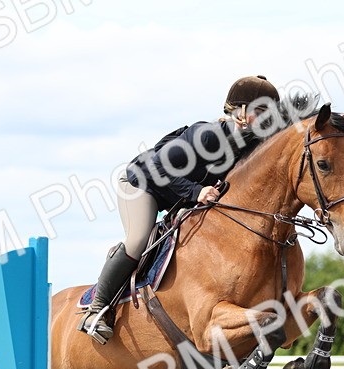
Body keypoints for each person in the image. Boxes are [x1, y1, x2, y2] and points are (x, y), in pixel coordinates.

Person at [78, 75, 282, 344]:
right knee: (139, 239)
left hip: (177, 196)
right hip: (143, 184)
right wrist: (197, 192)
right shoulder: (207, 135)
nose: (266, 121)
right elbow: (158, 168)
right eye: (260, 112)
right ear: (240, 112)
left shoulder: (248, 147)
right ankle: (97, 310)